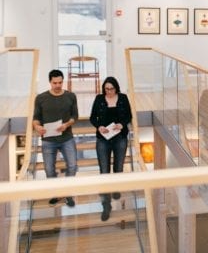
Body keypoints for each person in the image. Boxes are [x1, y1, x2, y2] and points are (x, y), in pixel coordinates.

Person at [33, 69, 79, 207]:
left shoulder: (71, 96)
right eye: (55, 83)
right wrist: (37, 127)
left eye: (60, 82)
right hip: (48, 140)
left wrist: (67, 125)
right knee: (49, 169)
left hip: (67, 138)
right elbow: (36, 118)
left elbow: (75, 116)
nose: (58, 85)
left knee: (72, 166)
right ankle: (56, 192)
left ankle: (67, 193)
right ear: (50, 82)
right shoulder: (41, 98)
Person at [90, 76, 133, 221]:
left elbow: (129, 115)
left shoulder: (123, 98)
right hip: (103, 139)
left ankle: (116, 188)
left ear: (116, 88)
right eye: (106, 89)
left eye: (111, 89)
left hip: (120, 137)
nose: (109, 91)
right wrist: (99, 126)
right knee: (104, 171)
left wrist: (122, 124)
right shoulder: (99, 99)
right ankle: (106, 205)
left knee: (118, 168)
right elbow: (92, 118)